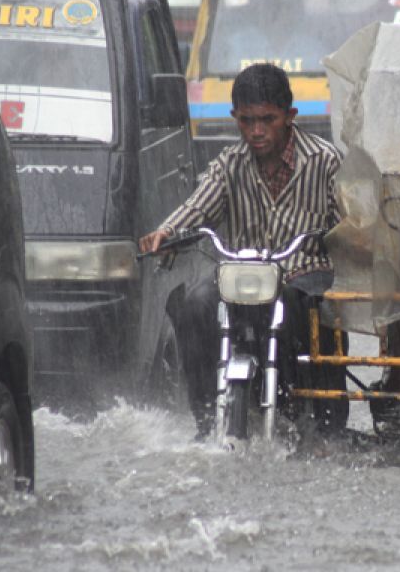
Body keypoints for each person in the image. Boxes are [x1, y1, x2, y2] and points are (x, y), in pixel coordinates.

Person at [139, 62, 348, 439]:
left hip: (302, 275)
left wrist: (349, 239)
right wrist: (167, 232)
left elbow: (348, 223)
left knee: (315, 311)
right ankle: (205, 420)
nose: (256, 131)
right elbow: (198, 206)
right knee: (194, 306)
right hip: (240, 275)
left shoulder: (325, 160)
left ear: (289, 116)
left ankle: (323, 422)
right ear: (235, 118)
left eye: (267, 119)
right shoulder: (228, 164)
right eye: (247, 120)